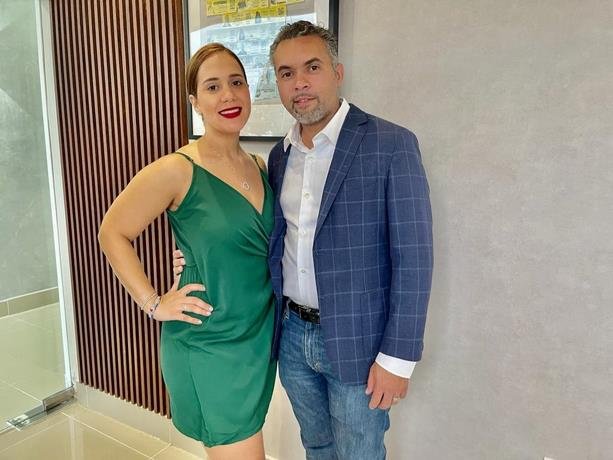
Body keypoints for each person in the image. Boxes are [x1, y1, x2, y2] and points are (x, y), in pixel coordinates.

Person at [174, 21, 433, 460]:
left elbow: (415, 258)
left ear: (337, 72)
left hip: (359, 342)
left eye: (312, 67)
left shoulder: (390, 144)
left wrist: (398, 358)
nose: (300, 83)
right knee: (316, 448)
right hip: (292, 337)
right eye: (286, 73)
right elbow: (261, 239)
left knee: (359, 453)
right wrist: (195, 259)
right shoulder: (279, 156)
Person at [99, 43, 276, 460]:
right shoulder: (177, 169)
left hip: (256, 339)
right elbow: (112, 232)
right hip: (209, 341)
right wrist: (153, 303)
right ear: (195, 102)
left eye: (236, 82)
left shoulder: (259, 165)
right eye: (213, 87)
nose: (228, 95)